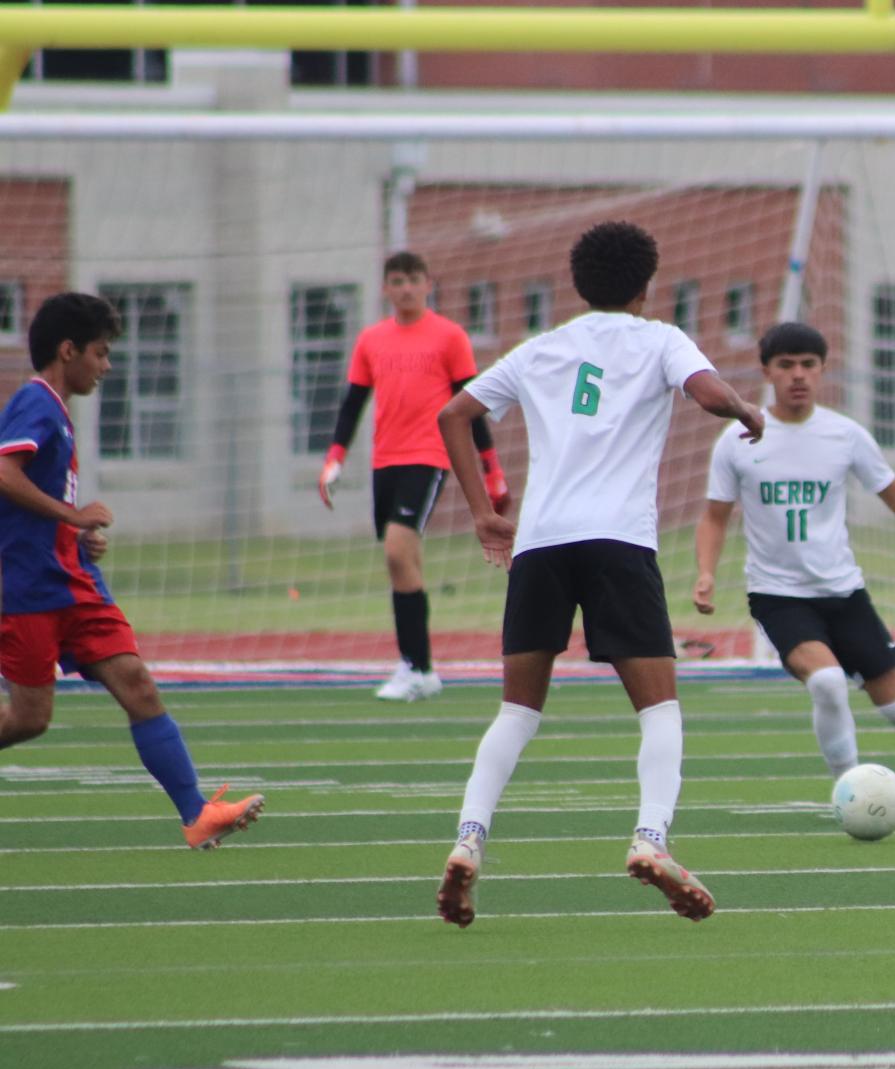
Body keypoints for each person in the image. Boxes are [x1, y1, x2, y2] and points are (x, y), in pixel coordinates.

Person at [431, 220, 765, 928]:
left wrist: (484, 512)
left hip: (541, 547)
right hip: (617, 544)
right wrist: (745, 409)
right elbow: (707, 395)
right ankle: (650, 838)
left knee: (517, 712)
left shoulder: (542, 348)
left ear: (577, 284)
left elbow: (454, 414)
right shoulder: (660, 339)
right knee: (660, 710)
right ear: (646, 285)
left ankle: (468, 839)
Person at [692, 321, 895, 818]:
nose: (798, 375)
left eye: (808, 365)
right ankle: (851, 797)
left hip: (845, 595)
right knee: (828, 684)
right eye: (786, 365)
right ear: (766, 371)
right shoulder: (737, 439)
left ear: (822, 370)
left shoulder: (844, 434)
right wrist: (705, 573)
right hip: (779, 597)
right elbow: (713, 517)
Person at [0, 293, 264, 849]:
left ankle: (197, 813)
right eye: (100, 352)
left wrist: (73, 535)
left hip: (72, 583)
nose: (107, 364)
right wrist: (71, 515)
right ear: (67, 350)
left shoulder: (56, 410)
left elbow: (34, 501)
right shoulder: (36, 401)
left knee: (139, 685)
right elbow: (4, 472)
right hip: (28, 589)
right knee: (29, 719)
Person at [318, 251, 512, 702]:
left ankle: (416, 667)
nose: (405, 288)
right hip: (385, 460)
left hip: (429, 456)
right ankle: (421, 666)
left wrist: (492, 468)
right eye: (397, 281)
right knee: (404, 564)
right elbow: (353, 403)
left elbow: (472, 404)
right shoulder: (371, 340)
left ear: (428, 284)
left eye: (413, 280)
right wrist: (334, 457)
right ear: (386, 288)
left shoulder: (449, 337)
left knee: (397, 552)